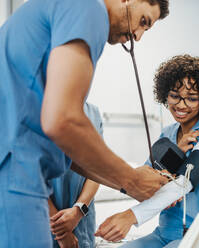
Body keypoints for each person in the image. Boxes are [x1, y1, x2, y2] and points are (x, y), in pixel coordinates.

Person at [0, 0, 169, 247]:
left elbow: (66, 146)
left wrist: (126, 183)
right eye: (143, 21)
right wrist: (130, 180)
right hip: (15, 173)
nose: (138, 36)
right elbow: (62, 120)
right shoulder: (88, 7)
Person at [95, 55, 199, 247]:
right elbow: (143, 182)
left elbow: (183, 183)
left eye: (192, 98)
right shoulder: (168, 135)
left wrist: (130, 216)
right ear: (165, 94)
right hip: (166, 232)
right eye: (174, 96)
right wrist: (175, 154)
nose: (181, 105)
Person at [48, 103, 103, 248]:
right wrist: (62, 232)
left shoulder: (93, 113)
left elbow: (98, 170)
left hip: (82, 222)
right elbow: (28, 173)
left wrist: (79, 210)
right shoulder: (36, 104)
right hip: (43, 220)